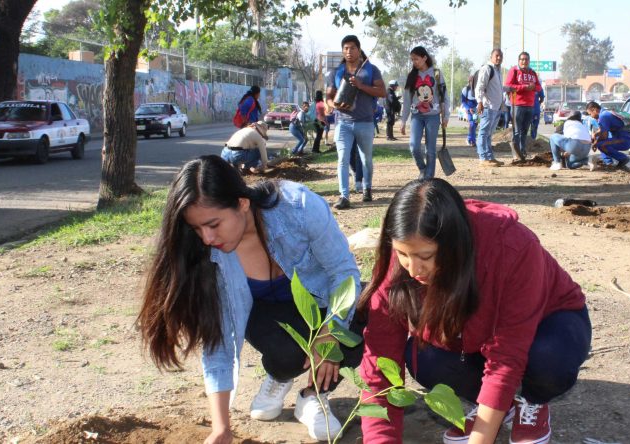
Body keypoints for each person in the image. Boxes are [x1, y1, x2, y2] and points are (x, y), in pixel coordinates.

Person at [138, 155, 364, 443]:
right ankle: (279, 376)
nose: (207, 237)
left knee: (356, 333)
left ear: (242, 203)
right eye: (197, 228)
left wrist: (331, 332)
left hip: (318, 302)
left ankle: (313, 397)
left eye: (213, 224)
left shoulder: (299, 208)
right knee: (288, 352)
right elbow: (216, 340)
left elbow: (343, 272)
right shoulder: (210, 255)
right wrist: (221, 428)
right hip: (266, 316)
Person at [358, 178, 591, 444]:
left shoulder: (513, 247)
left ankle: (532, 400)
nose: (413, 270)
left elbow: (507, 355)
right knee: (425, 360)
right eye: (402, 254)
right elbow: (379, 362)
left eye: (425, 257)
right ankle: (497, 405)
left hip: (549, 322)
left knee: (547, 358)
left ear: (454, 245)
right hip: (476, 334)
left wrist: (481, 439)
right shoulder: (400, 261)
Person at [325, 35, 386, 209]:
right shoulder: (337, 72)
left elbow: (382, 92)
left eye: (352, 48)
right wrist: (333, 105)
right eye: (345, 48)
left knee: (366, 159)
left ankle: (367, 188)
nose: (348, 51)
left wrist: (361, 85)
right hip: (343, 123)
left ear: (359, 50)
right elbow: (329, 96)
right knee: (342, 159)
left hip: (365, 122)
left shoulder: (371, 70)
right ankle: (344, 196)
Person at [400, 46, 449, 180]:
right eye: (412, 59)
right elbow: (407, 100)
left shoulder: (437, 73)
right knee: (414, 146)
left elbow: (444, 96)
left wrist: (446, 115)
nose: (414, 62)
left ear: (425, 58)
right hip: (416, 116)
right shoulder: (411, 76)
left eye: (416, 59)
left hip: (433, 116)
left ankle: (428, 177)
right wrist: (403, 120)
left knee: (430, 150)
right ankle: (423, 169)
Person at [504, 52, 542, 161]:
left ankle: (522, 151)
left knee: (525, 130)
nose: (524, 61)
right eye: (522, 59)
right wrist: (524, 87)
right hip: (517, 105)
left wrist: (533, 87)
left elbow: (539, 88)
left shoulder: (532, 73)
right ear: (518, 60)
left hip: (530, 105)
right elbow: (509, 86)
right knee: (516, 130)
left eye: (526, 59)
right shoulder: (514, 71)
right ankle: (516, 154)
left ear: (529, 61)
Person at [474, 48, 506, 167]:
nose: (499, 58)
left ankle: (490, 157)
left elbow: (498, 88)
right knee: (483, 133)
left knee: (488, 134)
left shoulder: (497, 71)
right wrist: (479, 102)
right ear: (491, 57)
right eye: (497, 55)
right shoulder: (487, 68)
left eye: (501, 56)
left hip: (496, 108)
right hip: (487, 106)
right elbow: (480, 87)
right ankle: (483, 158)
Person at [587, 101, 630, 169]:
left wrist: (595, 143)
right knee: (601, 143)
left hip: (623, 141)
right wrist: (595, 135)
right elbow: (602, 129)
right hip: (624, 139)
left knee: (601, 144)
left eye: (590, 114)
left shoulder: (603, 116)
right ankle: (608, 162)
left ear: (594, 110)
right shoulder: (605, 112)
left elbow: (604, 136)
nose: (591, 116)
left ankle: (622, 159)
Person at [461, 75, 478, 147]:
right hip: (469, 110)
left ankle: (469, 138)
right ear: (469, 81)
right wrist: (468, 108)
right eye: (472, 81)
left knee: (475, 124)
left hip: (477, 110)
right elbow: (463, 101)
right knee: (472, 124)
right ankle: (472, 141)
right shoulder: (465, 89)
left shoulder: (478, 88)